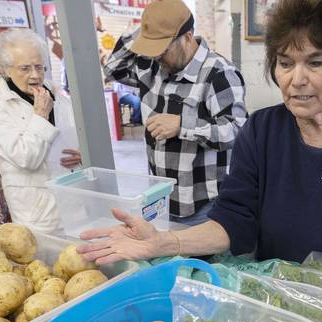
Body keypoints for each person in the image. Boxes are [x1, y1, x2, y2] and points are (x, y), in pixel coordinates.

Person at [79, 0, 322, 322]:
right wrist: (165, 242)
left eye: (314, 63)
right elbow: (233, 221)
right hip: (276, 306)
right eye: (284, 63)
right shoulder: (263, 131)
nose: (296, 79)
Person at [103, 0, 248, 226]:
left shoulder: (219, 73)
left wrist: (182, 125)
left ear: (188, 36)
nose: (157, 57)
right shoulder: (152, 66)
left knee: (198, 262)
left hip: (203, 205)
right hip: (160, 198)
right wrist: (148, 28)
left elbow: (237, 132)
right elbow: (113, 69)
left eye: (163, 49)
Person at [0, 28, 82, 234]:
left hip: (73, 201)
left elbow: (75, 135)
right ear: (5, 69)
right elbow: (26, 159)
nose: (35, 75)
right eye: (25, 69)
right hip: (37, 212)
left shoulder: (58, 97)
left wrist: (83, 156)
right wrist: (40, 116)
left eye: (39, 67)